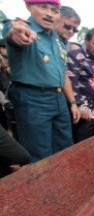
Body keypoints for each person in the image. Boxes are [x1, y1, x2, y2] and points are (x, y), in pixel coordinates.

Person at [3, 0, 75, 162]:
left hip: (59, 100)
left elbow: (62, 73)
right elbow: (13, 32)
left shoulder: (57, 39)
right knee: (40, 157)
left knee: (65, 150)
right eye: (43, 7)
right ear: (29, 7)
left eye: (55, 10)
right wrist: (16, 32)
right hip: (34, 100)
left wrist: (72, 102)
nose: (49, 14)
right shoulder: (24, 29)